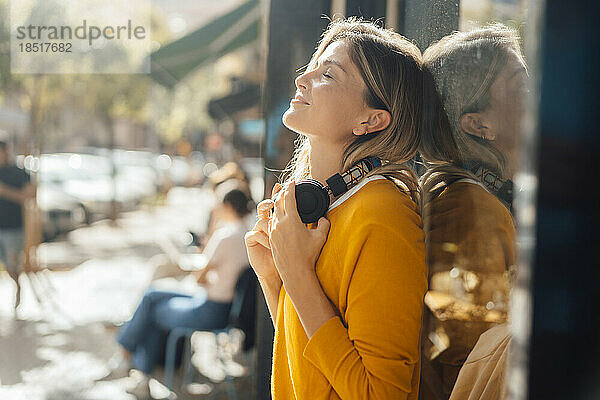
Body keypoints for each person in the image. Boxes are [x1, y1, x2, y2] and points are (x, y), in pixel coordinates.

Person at [245, 18, 430, 399]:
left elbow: (382, 394)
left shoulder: (384, 215)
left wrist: (295, 270)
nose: (303, 79)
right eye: (312, 67)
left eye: (328, 74)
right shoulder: (326, 205)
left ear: (372, 119)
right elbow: (313, 362)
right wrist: (273, 275)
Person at [418, 24, 527, 399]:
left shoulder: (467, 195)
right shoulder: (470, 206)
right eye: (523, 86)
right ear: (478, 124)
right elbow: (466, 365)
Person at [110, 184, 253, 398]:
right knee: (152, 295)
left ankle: (130, 360)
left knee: (153, 310)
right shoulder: (248, 233)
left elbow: (199, 278)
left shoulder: (225, 235)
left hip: (210, 310)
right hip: (226, 308)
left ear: (228, 205)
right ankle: (129, 358)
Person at [0, 138, 35, 314]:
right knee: (6, 265)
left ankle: (18, 288)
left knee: (13, 264)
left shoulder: (19, 173)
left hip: (13, 228)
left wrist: (4, 191)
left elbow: (28, 196)